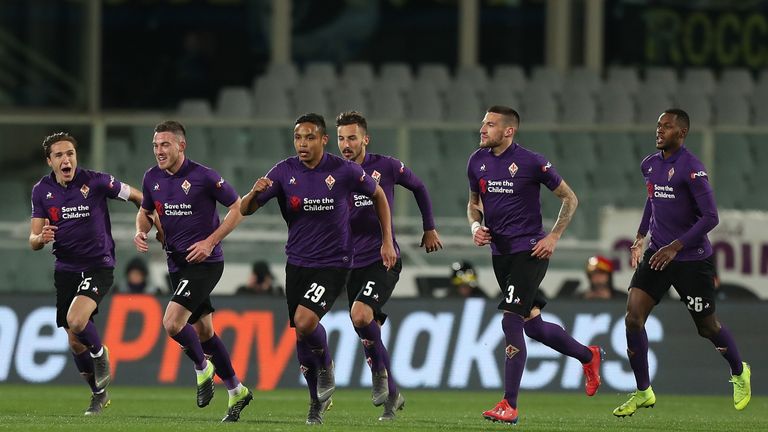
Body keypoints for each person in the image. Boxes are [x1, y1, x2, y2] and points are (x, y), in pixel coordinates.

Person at [240, 113, 397, 425]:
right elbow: (245, 209)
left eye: (310, 137)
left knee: (304, 320)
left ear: (324, 140)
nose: (302, 143)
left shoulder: (344, 171)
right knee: (301, 335)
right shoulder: (284, 171)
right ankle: (316, 404)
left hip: (334, 262)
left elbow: (378, 195)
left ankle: (326, 365)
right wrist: (253, 193)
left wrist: (387, 240)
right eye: (298, 137)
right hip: (297, 263)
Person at [466, 106, 603, 425]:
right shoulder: (477, 161)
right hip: (500, 254)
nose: (483, 129)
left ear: (509, 131)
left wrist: (553, 236)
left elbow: (570, 198)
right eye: (483, 123)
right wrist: (476, 226)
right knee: (533, 324)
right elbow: (474, 204)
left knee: (510, 319)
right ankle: (588, 355)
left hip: (530, 251)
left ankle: (509, 404)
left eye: (490, 124)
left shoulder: (532, 162)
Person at [613, 108, 751, 417]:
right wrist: (640, 236)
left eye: (667, 126)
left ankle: (739, 371)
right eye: (658, 125)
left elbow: (711, 217)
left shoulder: (692, 169)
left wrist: (676, 247)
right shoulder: (649, 165)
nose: (659, 130)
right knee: (633, 317)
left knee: (707, 327)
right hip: (658, 253)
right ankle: (643, 391)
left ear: (682, 133)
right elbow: (652, 201)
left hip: (691, 258)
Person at [133, 120, 252, 422]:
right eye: (155, 145)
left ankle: (203, 368)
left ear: (181, 146)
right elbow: (146, 211)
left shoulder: (204, 177)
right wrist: (141, 230)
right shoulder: (151, 178)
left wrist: (211, 242)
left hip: (205, 263)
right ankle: (237, 390)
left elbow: (238, 207)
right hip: (176, 263)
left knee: (172, 323)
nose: (159, 151)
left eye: (165, 145)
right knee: (204, 332)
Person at [336, 111, 442, 420]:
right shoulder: (334, 172)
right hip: (350, 263)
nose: (346, 144)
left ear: (365, 139)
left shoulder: (387, 166)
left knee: (359, 314)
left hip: (383, 258)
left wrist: (429, 227)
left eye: (352, 138)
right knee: (370, 330)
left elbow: (420, 187)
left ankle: (381, 379)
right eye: (341, 138)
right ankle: (391, 396)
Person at [29, 132, 144, 415]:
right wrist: (41, 238)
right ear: (50, 161)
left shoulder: (97, 181)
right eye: (59, 155)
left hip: (98, 264)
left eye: (70, 153)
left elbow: (139, 197)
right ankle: (98, 394)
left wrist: (149, 221)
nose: (66, 159)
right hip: (65, 268)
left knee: (77, 320)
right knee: (72, 339)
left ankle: (99, 353)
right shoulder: (41, 191)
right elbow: (33, 240)